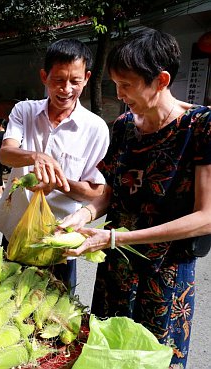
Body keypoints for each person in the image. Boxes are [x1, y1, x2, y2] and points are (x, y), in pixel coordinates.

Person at [59, 28, 211, 368]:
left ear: (160, 80)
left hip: (164, 274)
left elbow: (206, 216)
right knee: (108, 354)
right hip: (116, 269)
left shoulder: (200, 126)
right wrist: (84, 215)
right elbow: (111, 193)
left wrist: (116, 237)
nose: (119, 93)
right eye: (115, 83)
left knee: (151, 358)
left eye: (126, 85)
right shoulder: (125, 126)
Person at [0, 39, 110, 291]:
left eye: (75, 81)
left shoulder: (96, 129)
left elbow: (96, 193)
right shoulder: (24, 111)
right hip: (15, 232)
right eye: (58, 80)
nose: (66, 89)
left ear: (87, 78)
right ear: (44, 77)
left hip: (59, 239)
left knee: (54, 318)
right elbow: (6, 154)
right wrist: (35, 156)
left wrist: (59, 182)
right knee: (2, 302)